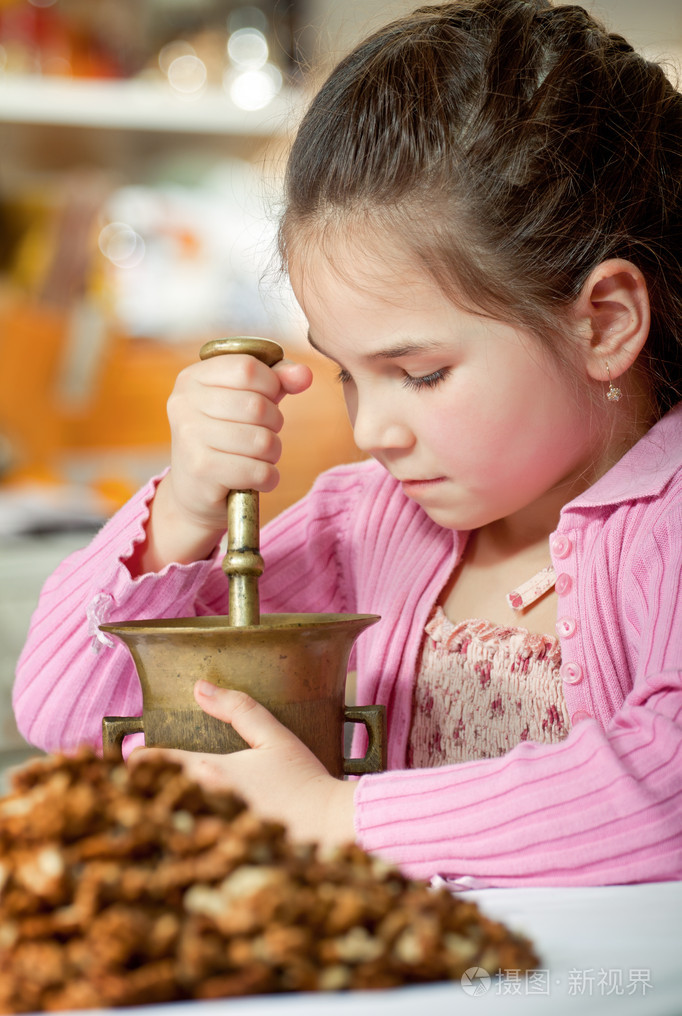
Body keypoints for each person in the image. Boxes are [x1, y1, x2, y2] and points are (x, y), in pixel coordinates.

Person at [13, 0, 682, 887]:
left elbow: (662, 791)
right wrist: (181, 507)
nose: (371, 431)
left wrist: (340, 814)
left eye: (421, 372)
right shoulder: (365, 526)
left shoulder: (666, 533)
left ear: (603, 323)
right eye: (348, 375)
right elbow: (64, 711)